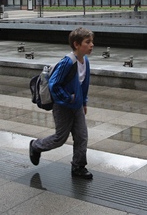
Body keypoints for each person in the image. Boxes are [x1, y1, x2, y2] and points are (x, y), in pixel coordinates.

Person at [30, 27, 94, 180]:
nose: (92, 45)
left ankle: (78, 167)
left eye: (92, 42)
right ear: (76, 44)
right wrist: (67, 98)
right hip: (63, 106)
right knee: (60, 138)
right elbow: (54, 84)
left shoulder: (85, 61)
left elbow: (84, 84)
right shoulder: (67, 62)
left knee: (81, 136)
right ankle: (35, 146)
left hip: (77, 106)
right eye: (88, 42)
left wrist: (83, 102)